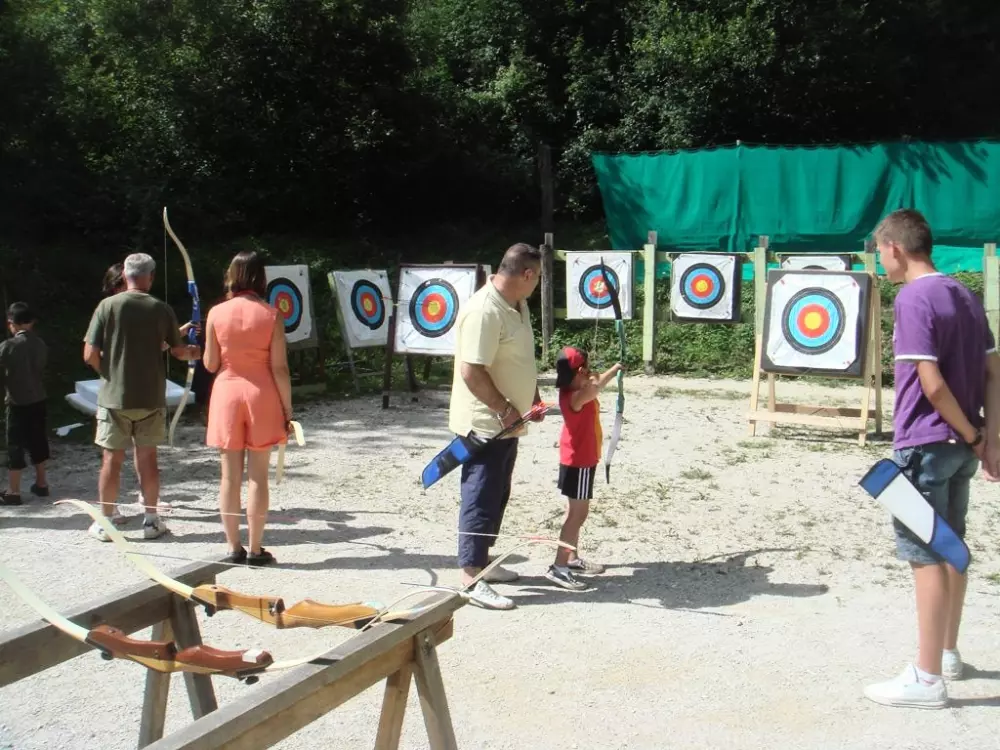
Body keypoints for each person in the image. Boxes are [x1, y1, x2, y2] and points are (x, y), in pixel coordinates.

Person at [864, 209, 1000, 709]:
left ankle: (926, 679)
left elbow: (932, 384)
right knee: (951, 547)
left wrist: (971, 431)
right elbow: (994, 372)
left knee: (925, 555)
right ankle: (946, 653)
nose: (880, 260)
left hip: (925, 444)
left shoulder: (913, 298)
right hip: (962, 447)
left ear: (895, 248)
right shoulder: (965, 294)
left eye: (880, 251)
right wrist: (987, 439)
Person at [449, 243, 544, 610]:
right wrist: (504, 409)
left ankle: (483, 562)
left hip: (508, 422)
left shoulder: (517, 304)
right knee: (480, 494)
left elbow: (520, 359)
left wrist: (531, 397)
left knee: (498, 492)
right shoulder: (484, 310)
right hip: (486, 424)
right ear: (527, 274)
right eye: (537, 277)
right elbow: (471, 370)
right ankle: (470, 578)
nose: (537, 283)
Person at [83, 253, 201, 541]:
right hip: (150, 398)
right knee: (148, 459)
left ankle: (106, 523)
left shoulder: (107, 306)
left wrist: (109, 374)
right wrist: (197, 352)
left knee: (111, 460)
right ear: (151, 277)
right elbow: (178, 351)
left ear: (125, 275)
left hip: (114, 399)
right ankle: (151, 521)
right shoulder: (161, 308)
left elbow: (89, 354)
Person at [203, 250, 292, 566]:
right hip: (261, 395)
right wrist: (288, 411)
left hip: (227, 393)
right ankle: (255, 549)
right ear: (260, 277)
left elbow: (210, 363)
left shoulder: (216, 313)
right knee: (258, 477)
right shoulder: (271, 315)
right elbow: (279, 368)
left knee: (229, 478)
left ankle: (233, 547)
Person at [545, 346, 622, 590]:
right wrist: (605, 374)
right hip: (578, 462)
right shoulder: (575, 396)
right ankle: (559, 567)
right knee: (577, 515)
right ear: (579, 372)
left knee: (574, 512)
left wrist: (615, 369)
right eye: (585, 368)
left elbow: (595, 384)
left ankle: (571, 558)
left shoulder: (575, 389)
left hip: (580, 460)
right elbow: (595, 387)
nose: (590, 371)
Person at [0, 303, 50, 505]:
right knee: (38, 439)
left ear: (11, 323)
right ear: (32, 322)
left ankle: (13, 491)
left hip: (17, 401)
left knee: (15, 444)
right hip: (38, 398)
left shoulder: (8, 346)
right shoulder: (40, 344)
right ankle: (42, 483)